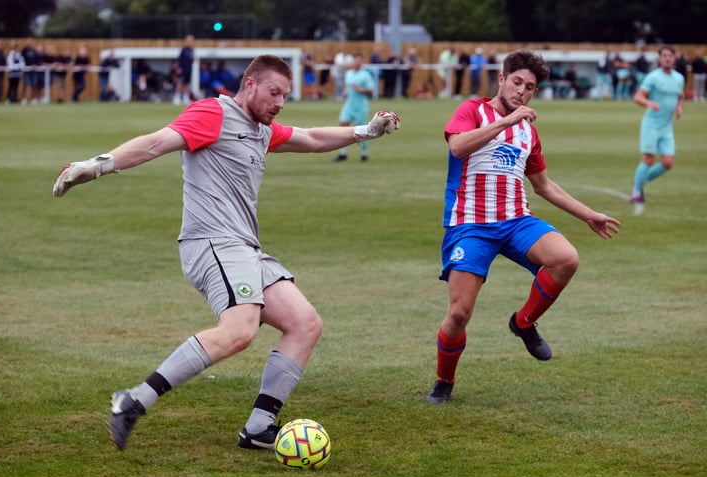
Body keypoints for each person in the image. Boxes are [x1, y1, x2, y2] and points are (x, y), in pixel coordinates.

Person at [51, 54, 400, 451]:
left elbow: (312, 138)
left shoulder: (261, 129)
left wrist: (365, 131)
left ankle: (258, 428)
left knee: (305, 323)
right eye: (274, 93)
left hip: (244, 247)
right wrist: (96, 166)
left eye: (285, 95)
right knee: (239, 331)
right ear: (249, 85)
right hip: (211, 243)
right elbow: (155, 144)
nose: (280, 103)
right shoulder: (212, 114)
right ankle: (133, 400)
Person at [425, 49, 620, 404]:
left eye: (529, 87)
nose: (521, 91)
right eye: (517, 82)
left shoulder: (529, 133)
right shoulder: (473, 110)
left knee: (566, 259)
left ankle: (524, 323)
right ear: (501, 79)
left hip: (516, 220)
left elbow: (544, 185)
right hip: (471, 225)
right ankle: (444, 380)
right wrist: (505, 121)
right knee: (458, 313)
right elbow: (457, 147)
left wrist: (587, 214)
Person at [629, 45, 685, 216]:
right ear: (660, 59)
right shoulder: (653, 77)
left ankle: (642, 180)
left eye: (670, 56)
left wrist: (679, 107)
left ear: (674, 58)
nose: (667, 58)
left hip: (667, 127)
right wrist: (648, 103)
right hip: (651, 125)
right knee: (649, 158)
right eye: (664, 56)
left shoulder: (679, 78)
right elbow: (638, 96)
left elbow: (680, 96)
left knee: (668, 163)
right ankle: (636, 192)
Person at [334, 53, 376, 162]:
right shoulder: (348, 73)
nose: (357, 62)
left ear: (362, 62)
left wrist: (362, 90)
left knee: (362, 131)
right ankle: (342, 153)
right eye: (355, 60)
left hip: (361, 105)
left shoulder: (365, 75)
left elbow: (372, 90)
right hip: (349, 104)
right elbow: (347, 86)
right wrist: (344, 93)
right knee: (343, 126)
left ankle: (364, 153)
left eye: (359, 60)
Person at [173, 34, 195, 105]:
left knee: (187, 84)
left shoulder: (191, 50)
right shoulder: (183, 50)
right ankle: (177, 97)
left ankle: (185, 98)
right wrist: (178, 68)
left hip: (188, 70)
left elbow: (192, 60)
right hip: (182, 70)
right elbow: (179, 60)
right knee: (180, 83)